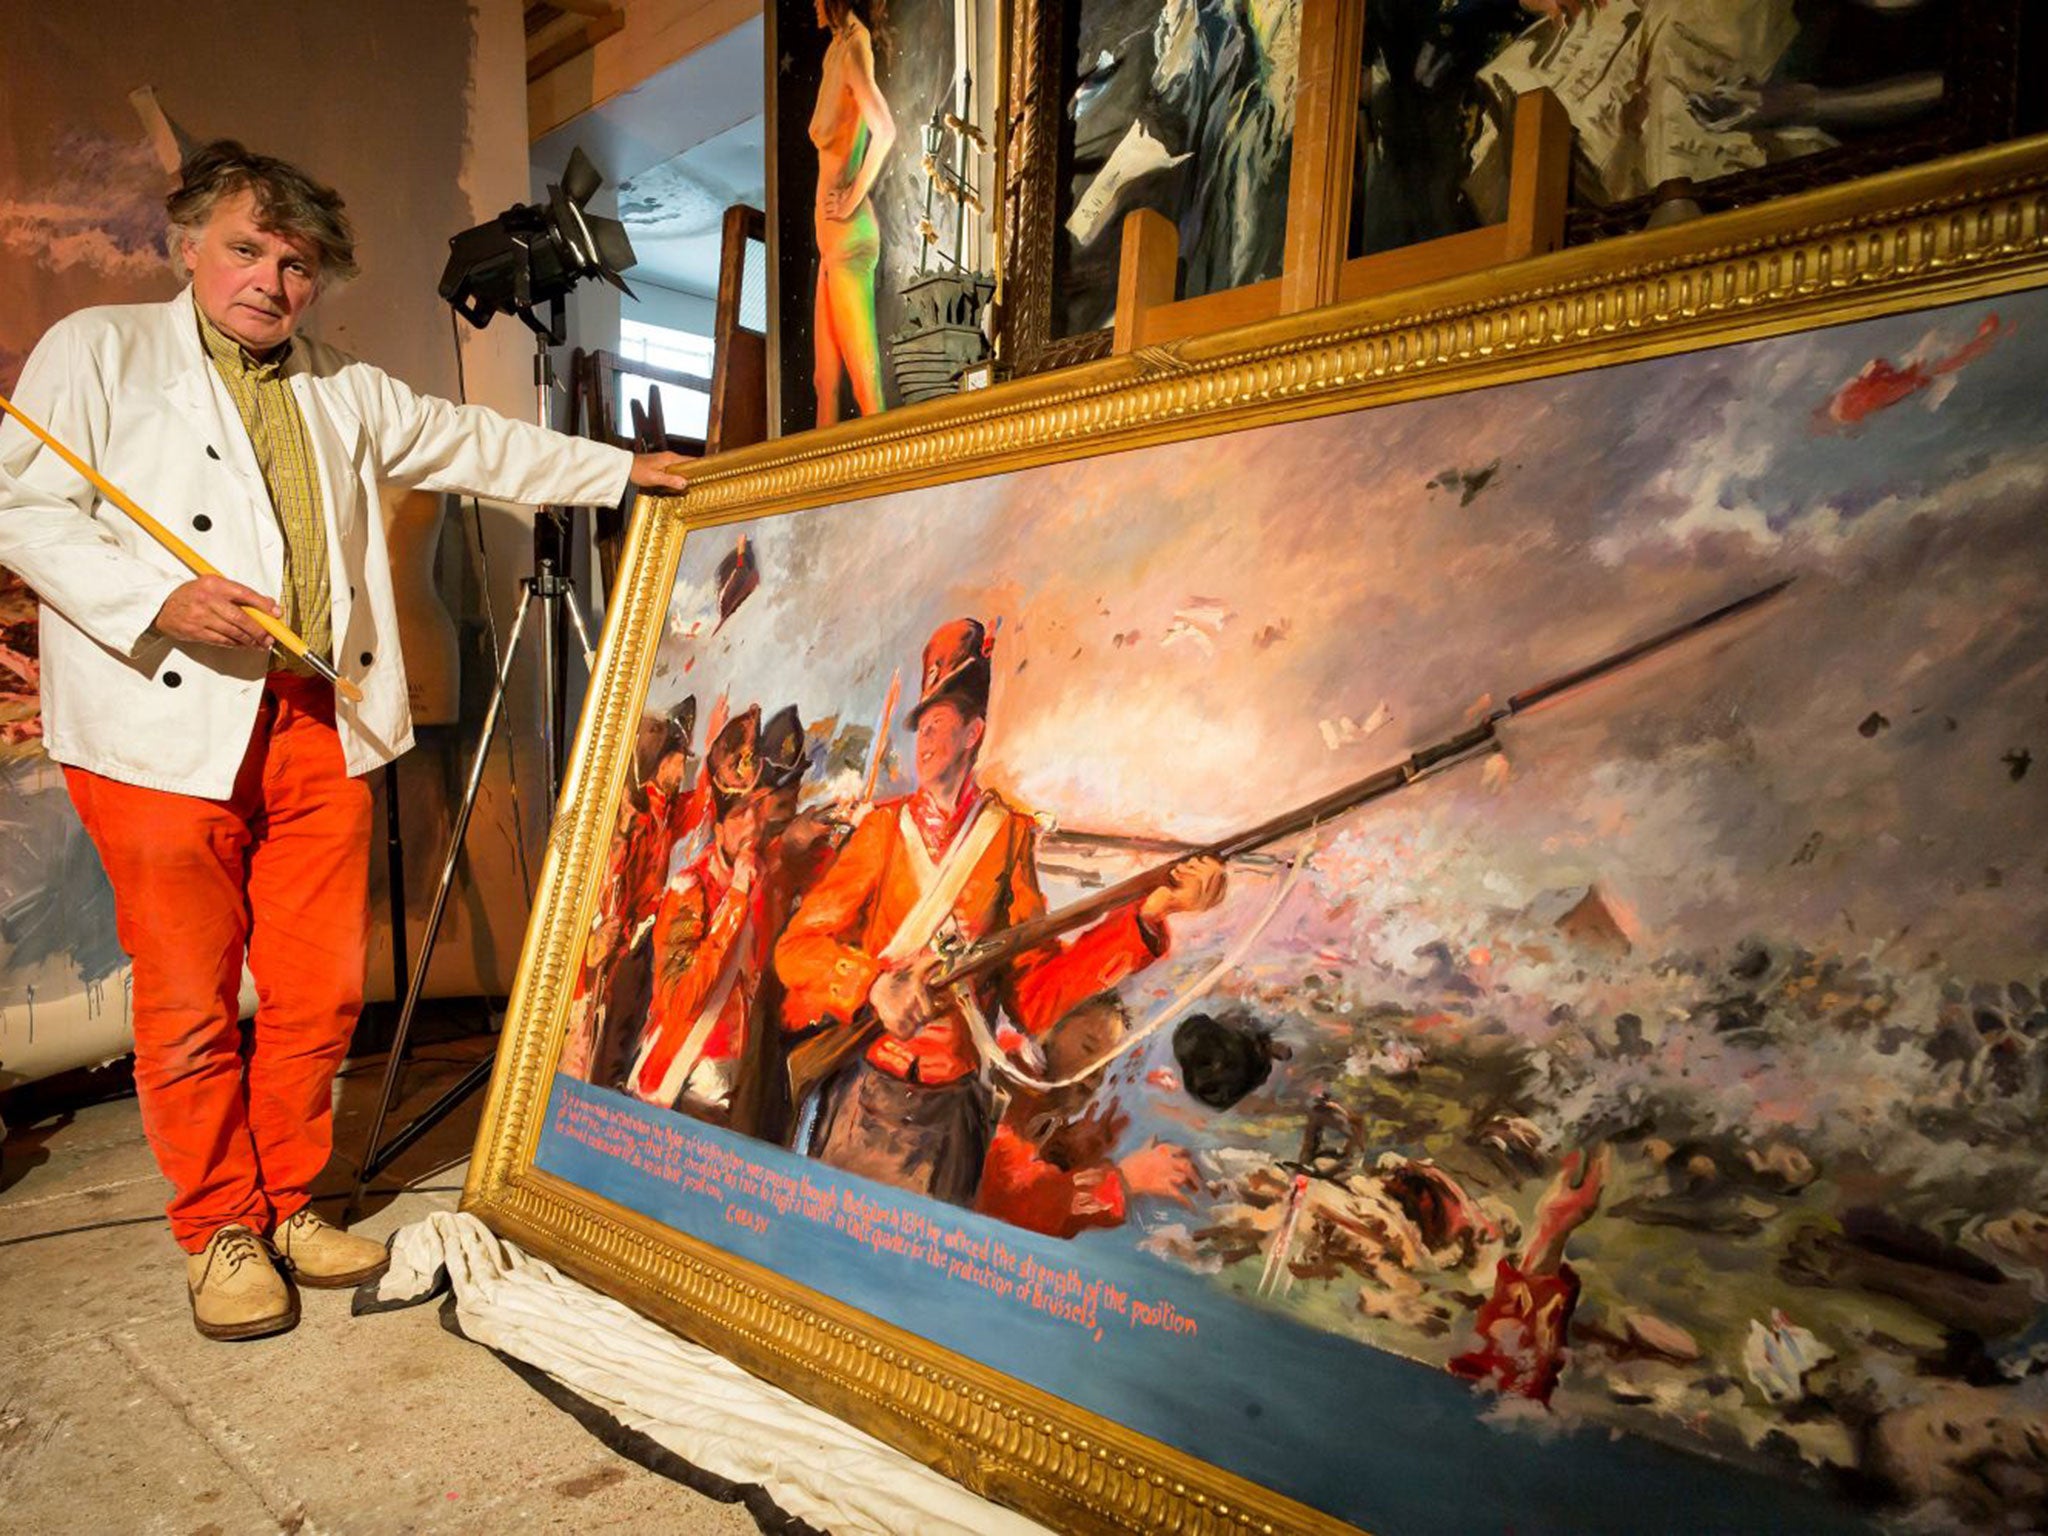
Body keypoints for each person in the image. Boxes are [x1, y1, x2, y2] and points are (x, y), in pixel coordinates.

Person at [0, 141, 692, 1342]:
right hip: (159, 718)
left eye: (298, 262)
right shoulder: (97, 351)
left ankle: (291, 1198)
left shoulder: (340, 382)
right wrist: (155, 599)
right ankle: (219, 1225)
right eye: (247, 250)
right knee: (188, 996)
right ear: (190, 248)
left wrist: (628, 471)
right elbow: (20, 506)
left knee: (319, 989)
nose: (271, 279)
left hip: (315, 711)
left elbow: (478, 445)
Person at [774, 617, 1225, 1206]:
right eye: (923, 726)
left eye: (939, 724)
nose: (926, 740)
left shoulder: (1006, 837)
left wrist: (1147, 917)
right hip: (869, 1100)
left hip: (951, 1115)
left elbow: (1034, 996)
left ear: (973, 732)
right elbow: (797, 949)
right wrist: (872, 986)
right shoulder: (883, 831)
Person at [627, 705, 807, 1129]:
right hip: (688, 1085)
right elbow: (682, 999)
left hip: (742, 1080)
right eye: (741, 814)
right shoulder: (689, 890)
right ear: (719, 826)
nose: (753, 827)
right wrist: (735, 903)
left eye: (757, 811)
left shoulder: (770, 873)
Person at [975, 995, 1202, 1239]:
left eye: (1106, 1064)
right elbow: (1014, 1201)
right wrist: (1124, 1181)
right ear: (1047, 1030)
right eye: (1088, 1048)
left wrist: (1065, 1152)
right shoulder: (1006, 1082)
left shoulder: (1037, 1099)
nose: (1096, 1074)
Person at [808, 0, 896, 426]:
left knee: (865, 383)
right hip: (831, 245)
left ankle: (888, 486)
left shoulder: (856, 46)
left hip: (848, 239)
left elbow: (885, 129)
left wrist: (851, 197)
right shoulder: (835, 51)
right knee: (824, 381)